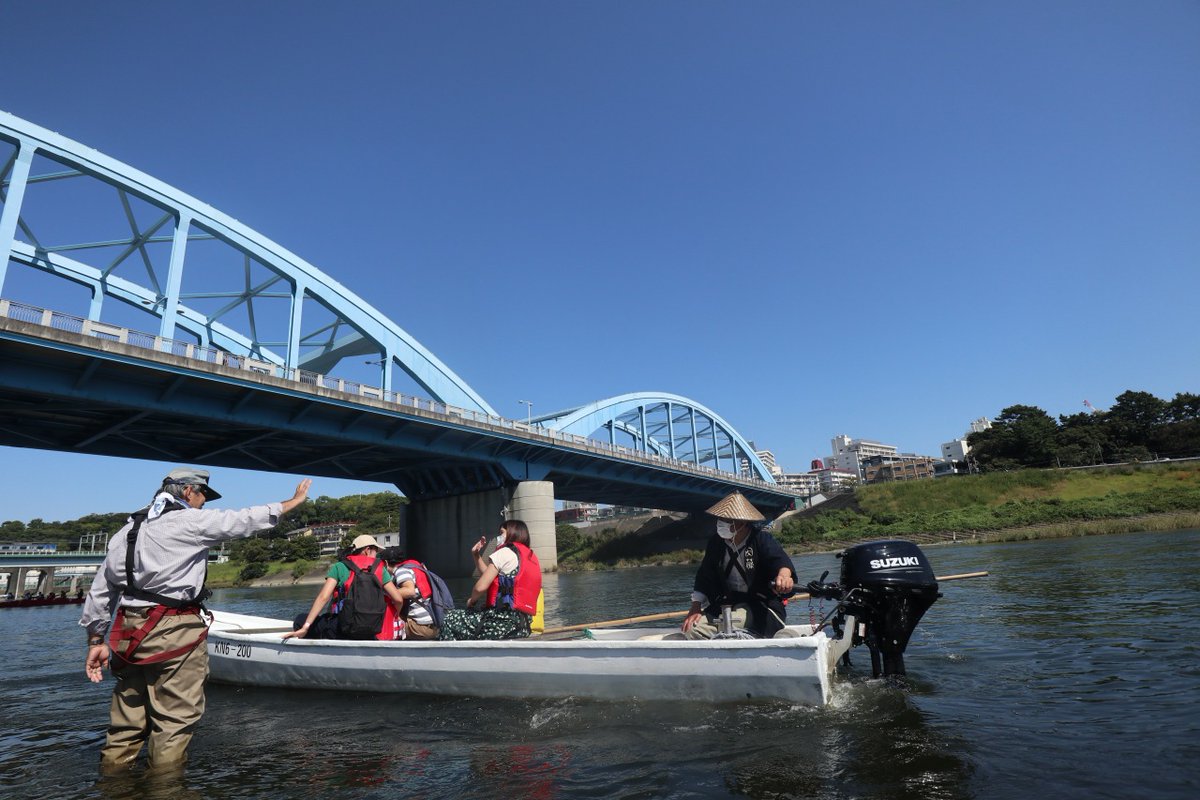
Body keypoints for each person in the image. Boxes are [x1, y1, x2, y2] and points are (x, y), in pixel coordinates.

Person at [80, 468, 311, 771]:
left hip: (127, 635)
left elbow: (101, 590)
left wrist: (96, 640)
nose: (204, 503)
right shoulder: (189, 521)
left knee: (125, 723)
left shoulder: (126, 531)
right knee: (174, 722)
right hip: (174, 630)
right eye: (203, 495)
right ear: (188, 491)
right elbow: (241, 520)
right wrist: (291, 503)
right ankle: (165, 789)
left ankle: (112, 784)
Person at [681, 491, 796, 639]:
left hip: (761, 606)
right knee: (691, 629)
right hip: (726, 605)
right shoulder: (716, 543)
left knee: (727, 624)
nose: (721, 523)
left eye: (727, 520)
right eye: (720, 519)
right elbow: (704, 576)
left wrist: (784, 577)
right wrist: (695, 607)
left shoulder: (761, 539)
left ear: (742, 523)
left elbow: (780, 561)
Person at [284, 534, 407, 641]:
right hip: (372, 629)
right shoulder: (381, 569)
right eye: (376, 551)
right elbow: (398, 599)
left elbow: (323, 597)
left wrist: (306, 626)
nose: (377, 555)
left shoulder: (340, 566)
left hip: (344, 628)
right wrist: (396, 616)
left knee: (300, 619)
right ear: (367, 550)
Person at [438, 519, 542, 641]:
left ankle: (451, 658)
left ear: (512, 533)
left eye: (502, 532)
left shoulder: (504, 552)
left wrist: (472, 601)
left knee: (449, 618)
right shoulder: (529, 556)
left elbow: (480, 587)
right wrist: (476, 555)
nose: (500, 536)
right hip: (522, 626)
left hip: (500, 623)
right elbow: (490, 576)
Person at [380, 547, 441, 640]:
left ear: (385, 563)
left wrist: (387, 592)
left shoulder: (401, 571)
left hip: (419, 628)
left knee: (386, 625)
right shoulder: (414, 567)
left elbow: (410, 591)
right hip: (432, 626)